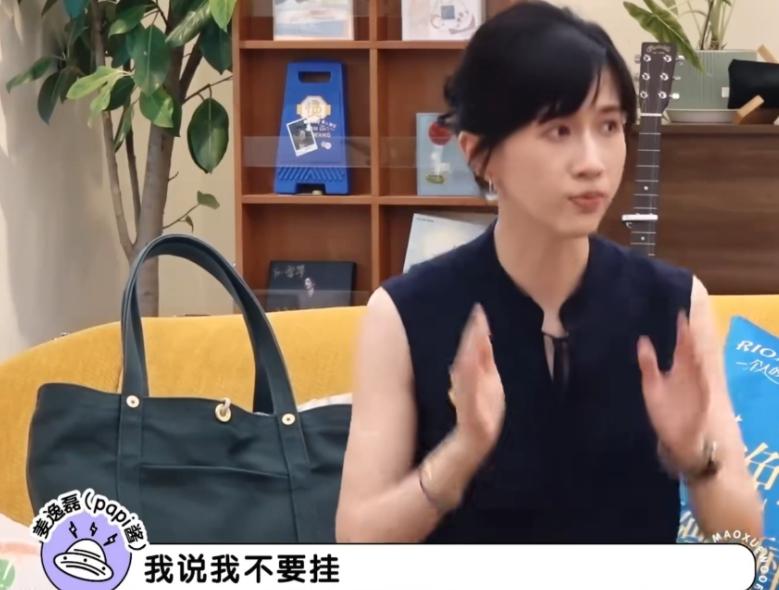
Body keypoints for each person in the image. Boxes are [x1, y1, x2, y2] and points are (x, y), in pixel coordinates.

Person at [335, 1, 763, 543]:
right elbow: (356, 544)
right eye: (559, 130)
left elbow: (744, 535)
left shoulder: (675, 303)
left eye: (609, 125)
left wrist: (694, 456)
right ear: (480, 155)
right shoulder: (404, 314)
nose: (593, 162)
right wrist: (461, 453)